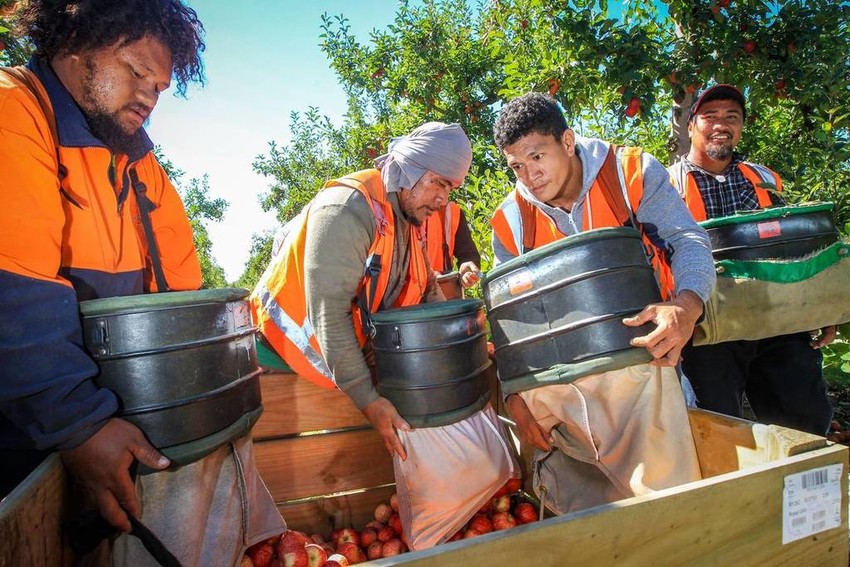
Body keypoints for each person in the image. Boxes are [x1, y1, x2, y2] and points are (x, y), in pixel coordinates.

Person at [0, 1, 282, 564]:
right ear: (75, 39)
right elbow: (14, 289)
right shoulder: (14, 111)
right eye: (135, 71)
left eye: (160, 86)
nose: (150, 96)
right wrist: (79, 424)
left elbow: (182, 297)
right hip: (25, 430)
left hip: (105, 421)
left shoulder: (140, 165)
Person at [489, 92, 716, 513]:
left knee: (671, 490)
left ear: (568, 140)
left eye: (537, 157)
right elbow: (511, 321)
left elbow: (688, 240)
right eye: (517, 166)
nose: (529, 175)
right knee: (593, 503)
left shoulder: (629, 172)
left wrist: (686, 306)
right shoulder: (511, 221)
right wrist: (514, 397)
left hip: (643, 364)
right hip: (569, 377)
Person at [251, 122, 473, 460]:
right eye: (438, 183)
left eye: (451, 187)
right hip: (280, 362)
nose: (444, 199)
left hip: (340, 367)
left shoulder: (407, 222)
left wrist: (456, 349)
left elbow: (428, 292)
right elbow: (328, 313)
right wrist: (367, 400)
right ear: (410, 169)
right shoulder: (346, 208)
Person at [668, 84, 835, 436]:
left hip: (777, 322)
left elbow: (791, 250)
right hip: (709, 330)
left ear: (741, 126)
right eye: (709, 116)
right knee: (716, 432)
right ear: (690, 126)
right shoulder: (665, 186)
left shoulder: (764, 178)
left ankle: (799, 489)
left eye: (732, 117)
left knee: (804, 423)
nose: (721, 124)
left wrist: (819, 309)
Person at [424, 202, 482, 289]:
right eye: (442, 187)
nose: (445, 196)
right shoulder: (403, 211)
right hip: (407, 298)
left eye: (451, 189)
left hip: (443, 293)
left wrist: (466, 271)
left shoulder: (453, 212)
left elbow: (468, 255)